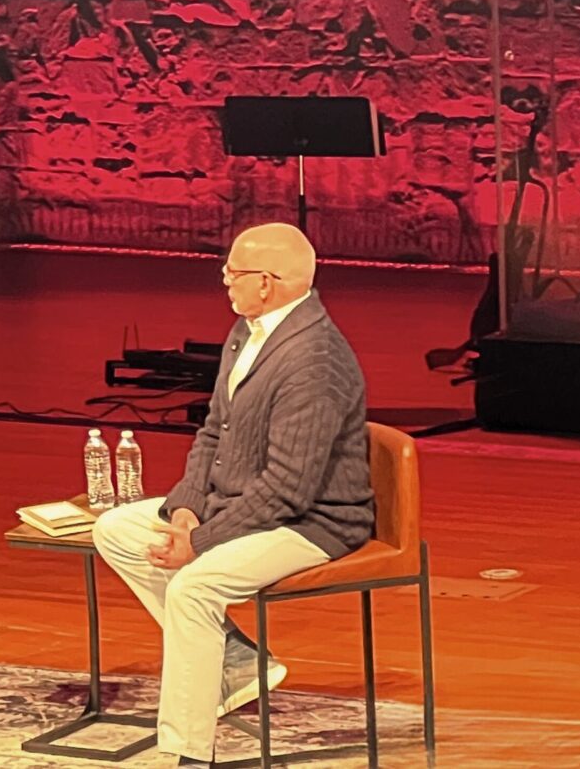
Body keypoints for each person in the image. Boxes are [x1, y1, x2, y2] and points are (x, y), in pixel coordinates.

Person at [92, 222, 374, 767]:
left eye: (234, 270)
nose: (224, 278)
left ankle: (189, 752)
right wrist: (186, 510)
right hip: (240, 503)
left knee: (194, 588)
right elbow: (213, 432)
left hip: (314, 522)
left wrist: (201, 543)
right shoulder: (247, 330)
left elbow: (290, 489)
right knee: (117, 529)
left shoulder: (315, 360)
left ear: (267, 283)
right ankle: (238, 660)